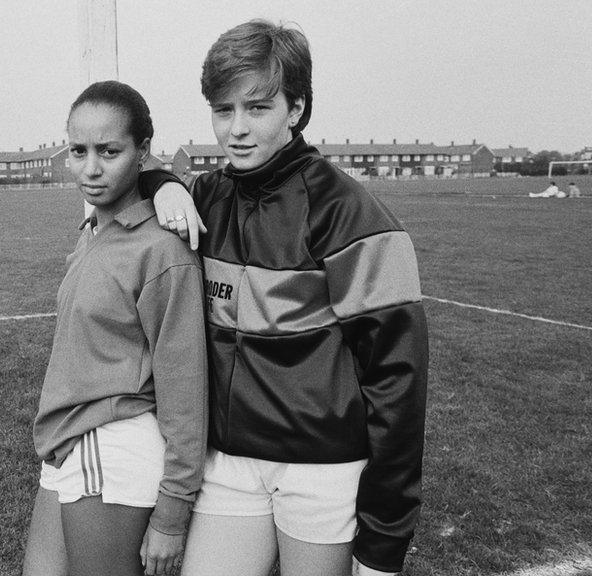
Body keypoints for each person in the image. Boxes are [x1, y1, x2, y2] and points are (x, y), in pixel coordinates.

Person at [139, 19, 429, 576]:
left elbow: (399, 383)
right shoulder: (205, 197)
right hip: (226, 465)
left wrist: (386, 537)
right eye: (224, 111)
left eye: (258, 108)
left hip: (322, 470)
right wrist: (164, 184)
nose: (237, 129)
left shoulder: (351, 213)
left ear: (296, 109)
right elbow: (131, 173)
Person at [22, 80, 208, 576]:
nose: (91, 168)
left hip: (114, 446)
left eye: (109, 151)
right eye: (78, 151)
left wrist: (173, 510)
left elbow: (185, 386)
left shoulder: (163, 250)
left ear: (143, 151)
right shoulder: (93, 232)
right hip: (66, 441)